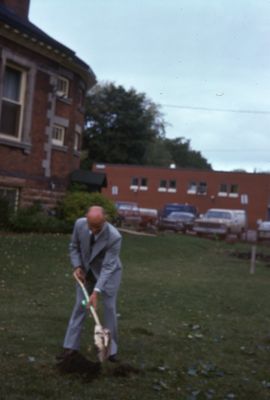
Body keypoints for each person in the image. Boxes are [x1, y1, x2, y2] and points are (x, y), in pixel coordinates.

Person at [58, 205, 122, 363]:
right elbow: (74, 246)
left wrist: (96, 292)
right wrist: (77, 266)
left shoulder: (114, 236)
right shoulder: (79, 224)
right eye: (91, 226)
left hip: (109, 274)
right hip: (86, 272)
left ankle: (110, 350)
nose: (93, 230)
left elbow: (108, 267)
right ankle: (70, 347)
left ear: (104, 221)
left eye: (97, 227)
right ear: (86, 219)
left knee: (108, 309)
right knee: (80, 305)